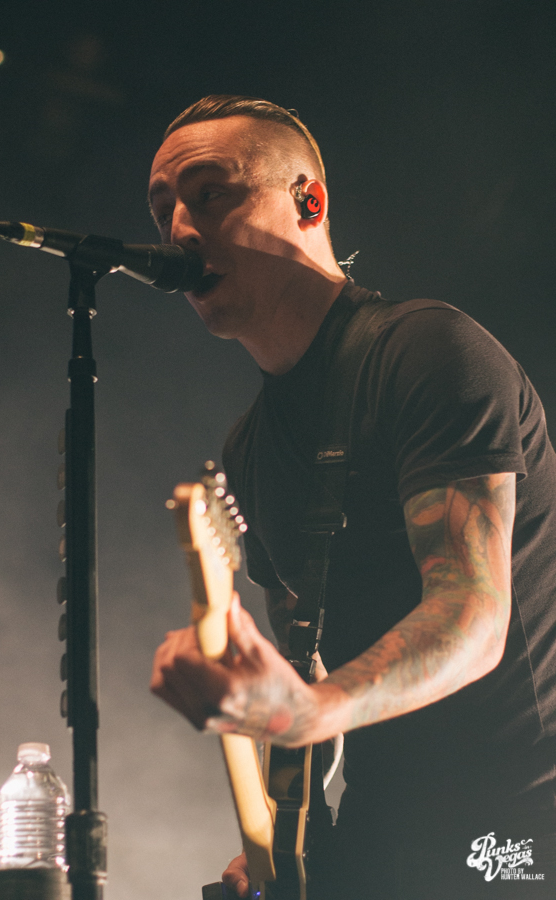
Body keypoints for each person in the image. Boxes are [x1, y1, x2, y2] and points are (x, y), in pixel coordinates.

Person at [148, 95, 556, 899]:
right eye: (164, 210)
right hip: (385, 836)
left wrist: (311, 709)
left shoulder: (429, 351)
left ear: (310, 201)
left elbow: (474, 617)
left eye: (211, 192)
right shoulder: (248, 449)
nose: (180, 230)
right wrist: (283, 838)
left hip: (518, 830)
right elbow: (308, 671)